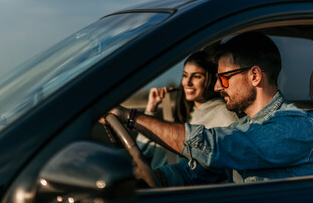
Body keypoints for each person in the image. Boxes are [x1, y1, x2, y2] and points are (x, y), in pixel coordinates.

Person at [100, 31, 313, 186]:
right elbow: (201, 171)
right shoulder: (246, 125)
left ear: (255, 76)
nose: (217, 86)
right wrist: (155, 178)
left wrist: (132, 117)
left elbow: (212, 146)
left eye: (224, 78)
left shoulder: (294, 126)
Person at [136, 51, 238, 169]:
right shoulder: (183, 113)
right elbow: (143, 151)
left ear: (210, 79)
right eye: (185, 75)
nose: (187, 82)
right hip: (157, 181)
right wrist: (151, 109)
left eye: (196, 76)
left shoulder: (224, 116)